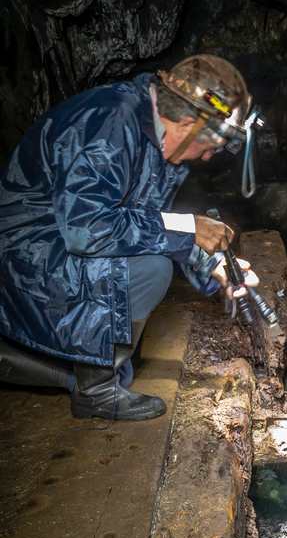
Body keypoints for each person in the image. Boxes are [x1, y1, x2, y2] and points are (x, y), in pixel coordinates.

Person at [0, 54, 260, 421]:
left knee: (148, 261)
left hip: (50, 241)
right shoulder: (111, 123)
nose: (206, 158)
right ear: (185, 123)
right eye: (209, 148)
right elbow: (87, 228)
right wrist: (188, 231)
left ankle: (86, 365)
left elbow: (144, 223)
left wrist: (213, 267)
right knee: (148, 270)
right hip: (20, 250)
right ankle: (97, 391)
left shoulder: (154, 134)